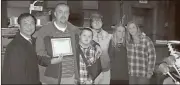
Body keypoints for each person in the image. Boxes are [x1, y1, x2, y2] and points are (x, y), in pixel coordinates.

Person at [35, 3, 101, 84]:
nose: (63, 15)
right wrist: (50, 61)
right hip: (51, 78)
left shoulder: (74, 30)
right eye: (60, 12)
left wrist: (96, 45)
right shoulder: (44, 31)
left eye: (66, 12)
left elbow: (86, 37)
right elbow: (38, 54)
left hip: (70, 77)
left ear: (69, 14)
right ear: (55, 14)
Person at [2, 13, 63, 84]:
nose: (29, 26)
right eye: (25, 24)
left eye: (32, 23)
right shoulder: (15, 47)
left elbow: (35, 57)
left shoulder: (32, 41)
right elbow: (18, 76)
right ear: (19, 26)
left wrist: (51, 61)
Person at [89, 12, 112, 85]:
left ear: (102, 22)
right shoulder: (86, 33)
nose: (97, 22)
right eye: (94, 20)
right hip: (91, 71)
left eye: (99, 20)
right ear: (91, 23)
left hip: (106, 69)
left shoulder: (107, 35)